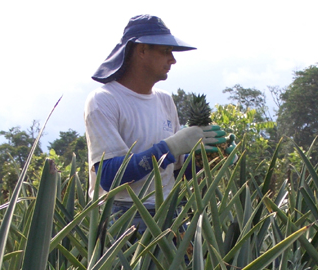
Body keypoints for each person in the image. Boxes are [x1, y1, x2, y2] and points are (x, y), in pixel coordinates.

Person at [84, 15, 226, 232]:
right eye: (165, 51)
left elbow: (176, 172)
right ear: (141, 50)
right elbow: (109, 176)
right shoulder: (104, 100)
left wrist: (209, 158)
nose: (173, 60)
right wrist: (169, 147)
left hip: (168, 211)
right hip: (122, 218)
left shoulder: (165, 101)